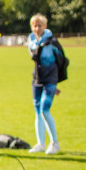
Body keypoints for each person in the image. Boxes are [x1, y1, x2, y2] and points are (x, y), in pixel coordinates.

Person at [27, 14, 61, 154]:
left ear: (45, 26)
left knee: (44, 109)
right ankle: (41, 143)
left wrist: (56, 82)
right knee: (37, 112)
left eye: (39, 25)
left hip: (50, 80)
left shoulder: (52, 41)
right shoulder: (31, 41)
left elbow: (61, 61)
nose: (37, 28)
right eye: (34, 26)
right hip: (37, 80)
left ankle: (54, 143)